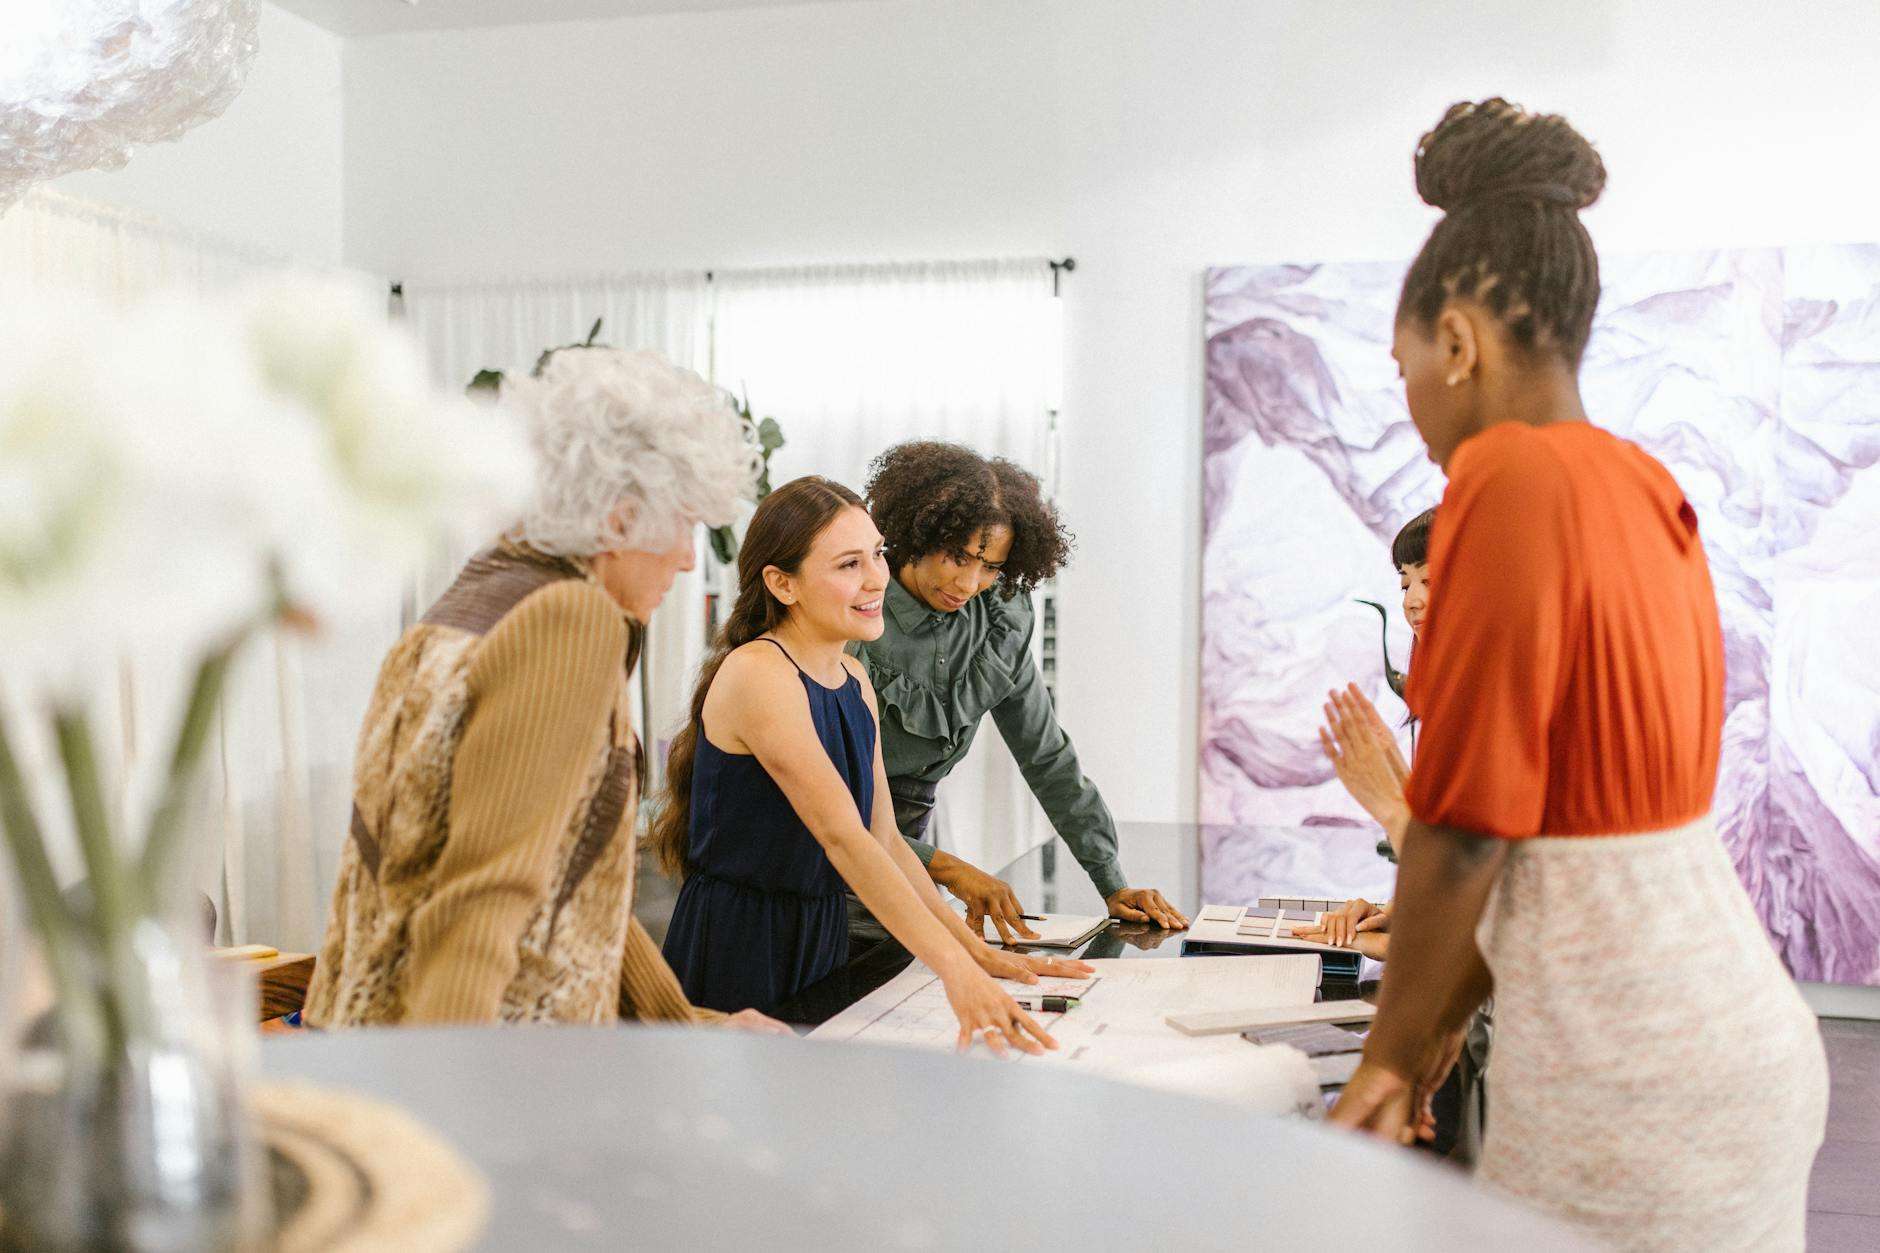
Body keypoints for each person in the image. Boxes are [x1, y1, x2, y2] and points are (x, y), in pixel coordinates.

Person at [1326, 98, 1826, 1249]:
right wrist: (1447, 1009)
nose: (1407, 399)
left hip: (1628, 1069)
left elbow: (1463, 826)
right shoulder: (1639, 482)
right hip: (1728, 1036)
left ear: (1456, 342)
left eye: (1403, 365)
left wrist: (1386, 1059)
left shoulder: (1502, 478)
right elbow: (1576, 815)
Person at [305, 347, 786, 1035]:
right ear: (617, 520)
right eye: (683, 524)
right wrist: (431, 1115)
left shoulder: (458, 609)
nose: (687, 556)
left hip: (379, 1038)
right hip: (481, 1063)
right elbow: (480, 897)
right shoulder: (572, 619)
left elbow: (568, 884)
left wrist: (687, 1027)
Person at [654, 477, 1088, 1052]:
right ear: (783, 584)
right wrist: (955, 973)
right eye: (848, 564)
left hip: (821, 933)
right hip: (744, 943)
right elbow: (844, 839)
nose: (877, 577)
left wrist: (975, 952)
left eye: (878, 553)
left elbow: (884, 838)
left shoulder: (854, 680)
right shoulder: (759, 673)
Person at [852, 441, 1188, 946]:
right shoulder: (855, 611)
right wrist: (951, 871)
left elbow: (1047, 758)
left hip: (913, 855)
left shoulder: (999, 623)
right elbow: (824, 796)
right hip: (828, 844)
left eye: (992, 567)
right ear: (915, 534)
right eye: (957, 557)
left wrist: (1112, 883)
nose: (970, 582)